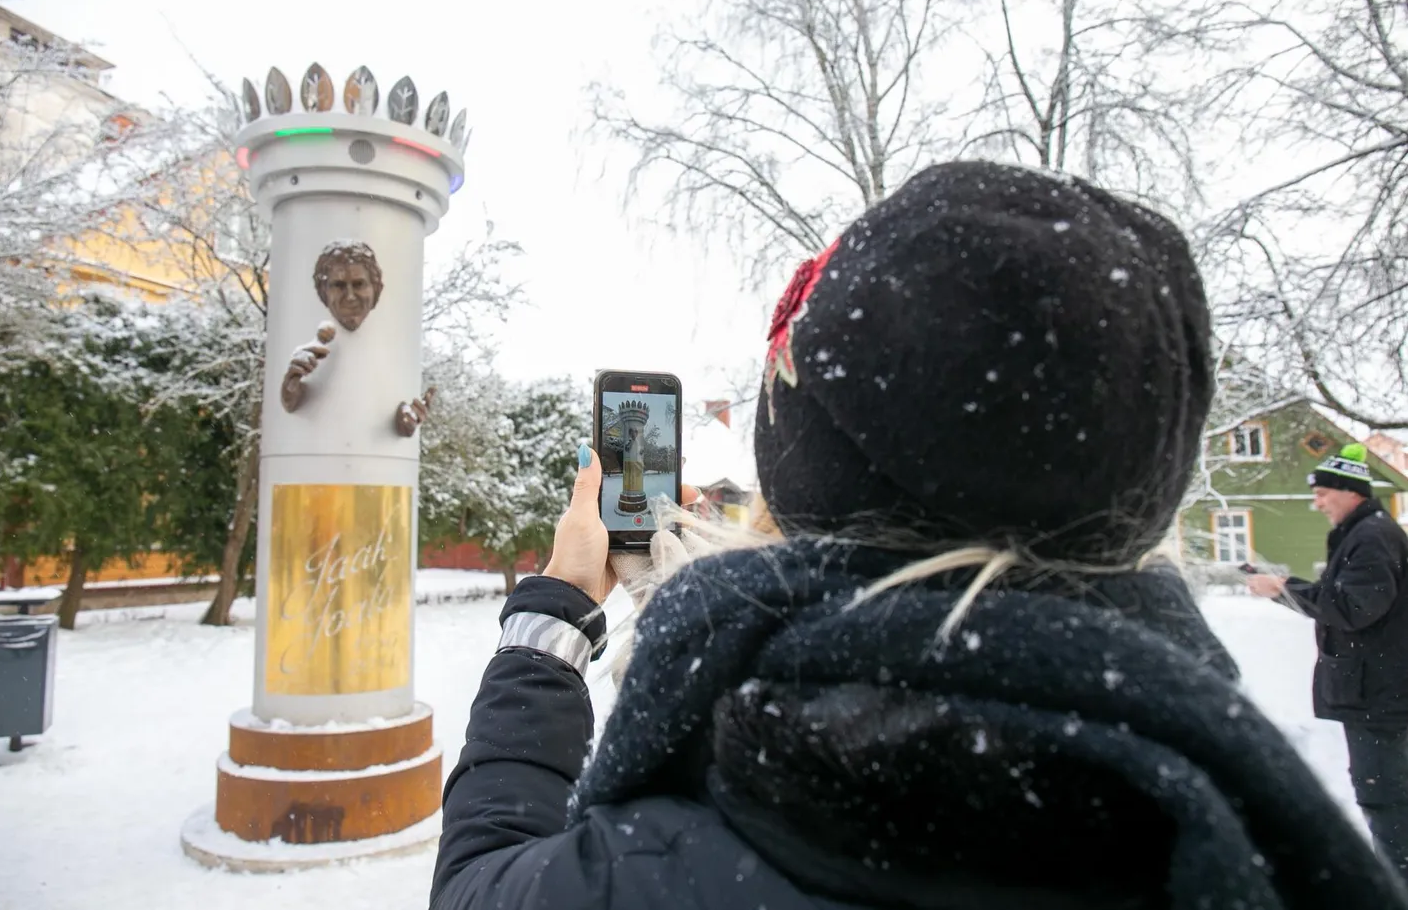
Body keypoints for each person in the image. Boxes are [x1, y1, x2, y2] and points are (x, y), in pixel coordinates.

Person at [431, 161, 1408, 909]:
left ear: (804, 460)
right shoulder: (1255, 833)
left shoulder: (679, 850)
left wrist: (553, 619)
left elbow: (482, 882)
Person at [1248, 442, 1408, 876]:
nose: (1316, 503)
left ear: (1350, 491)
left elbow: (1352, 608)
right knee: (1390, 798)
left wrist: (1282, 588)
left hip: (1380, 698)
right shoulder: (1366, 533)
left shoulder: (1372, 536)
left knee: (1386, 801)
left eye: (1322, 493)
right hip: (1376, 692)